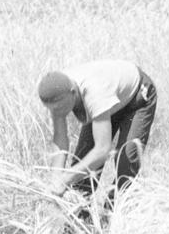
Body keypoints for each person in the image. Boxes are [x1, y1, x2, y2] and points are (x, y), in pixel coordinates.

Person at [37, 59, 158, 215]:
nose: (57, 113)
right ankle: (79, 222)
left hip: (137, 98)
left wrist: (66, 179)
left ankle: (114, 216)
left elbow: (102, 150)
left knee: (126, 159)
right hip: (108, 98)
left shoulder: (94, 93)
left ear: (73, 93)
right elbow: (60, 141)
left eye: (60, 108)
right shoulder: (57, 93)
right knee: (83, 162)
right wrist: (55, 178)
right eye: (53, 110)